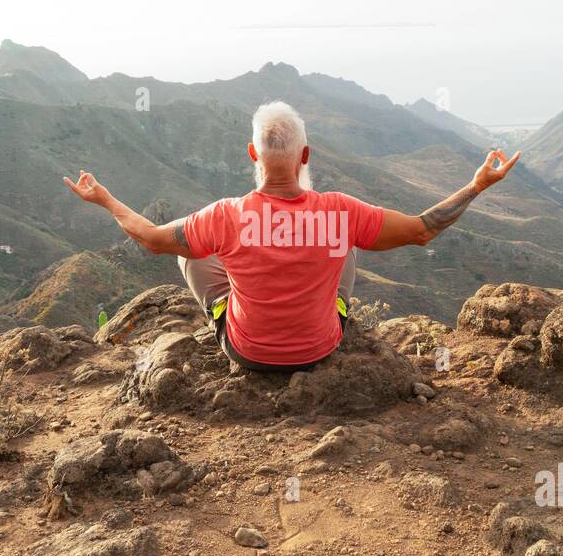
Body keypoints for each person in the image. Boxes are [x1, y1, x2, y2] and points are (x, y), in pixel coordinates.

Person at [63, 101, 520, 372]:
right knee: (343, 244)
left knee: (190, 254)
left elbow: (151, 238)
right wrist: (478, 185)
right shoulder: (338, 210)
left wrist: (104, 198)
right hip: (321, 349)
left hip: (247, 352)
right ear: (305, 154)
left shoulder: (225, 215)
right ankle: (321, 312)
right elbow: (423, 230)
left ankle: (223, 314)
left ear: (251, 154)